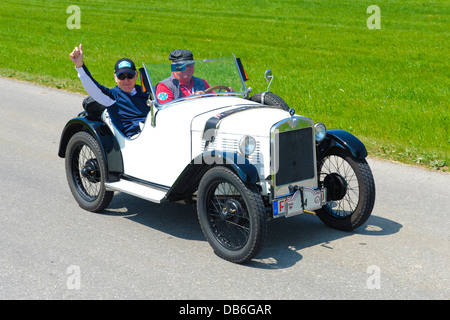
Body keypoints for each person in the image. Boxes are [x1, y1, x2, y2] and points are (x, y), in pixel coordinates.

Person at [69, 44, 149, 137]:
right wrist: (79, 66)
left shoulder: (147, 92)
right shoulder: (112, 97)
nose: (126, 81)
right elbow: (94, 88)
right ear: (115, 77)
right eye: (121, 77)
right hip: (134, 138)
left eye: (130, 76)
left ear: (136, 75)